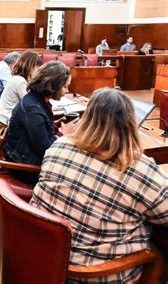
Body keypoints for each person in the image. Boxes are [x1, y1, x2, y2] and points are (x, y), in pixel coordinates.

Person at [30, 88, 168, 283]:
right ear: (131, 123)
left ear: (88, 116)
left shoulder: (59, 145)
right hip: (91, 274)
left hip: (44, 256)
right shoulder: (140, 170)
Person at [5, 61, 78, 185]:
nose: (67, 91)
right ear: (53, 86)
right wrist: (62, 133)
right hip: (24, 167)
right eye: (65, 86)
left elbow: (39, 131)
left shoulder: (37, 100)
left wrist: (55, 125)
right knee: (76, 170)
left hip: (26, 155)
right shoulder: (33, 109)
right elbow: (45, 149)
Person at [0, 51, 43, 125]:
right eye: (38, 67)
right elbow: (30, 104)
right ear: (30, 67)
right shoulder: (20, 81)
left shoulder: (19, 78)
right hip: (5, 122)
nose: (40, 71)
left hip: (7, 118)